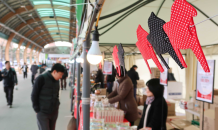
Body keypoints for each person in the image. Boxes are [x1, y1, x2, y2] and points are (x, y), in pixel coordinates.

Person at [31, 63, 65, 130]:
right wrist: (37, 109)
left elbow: (57, 94)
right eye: (60, 74)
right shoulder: (41, 78)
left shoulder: (57, 81)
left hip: (54, 112)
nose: (61, 77)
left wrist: (57, 104)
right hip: (43, 112)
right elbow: (34, 95)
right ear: (54, 72)